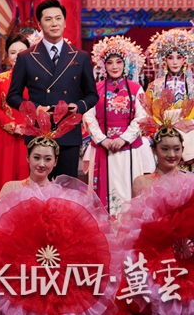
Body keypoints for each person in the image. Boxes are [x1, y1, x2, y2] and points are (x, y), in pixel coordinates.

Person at [7, 0, 99, 179]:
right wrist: (35, 109)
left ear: (65, 22)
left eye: (58, 18)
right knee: (39, 187)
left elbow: (91, 95)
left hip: (68, 132)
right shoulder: (26, 57)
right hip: (38, 132)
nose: (54, 23)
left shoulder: (80, 56)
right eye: (48, 19)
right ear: (40, 24)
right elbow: (13, 96)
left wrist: (77, 107)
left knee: (66, 187)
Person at [82, 36, 150, 216]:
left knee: (127, 188)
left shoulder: (136, 88)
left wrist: (123, 139)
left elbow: (142, 116)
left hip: (128, 147)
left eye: (118, 62)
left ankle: (128, 225)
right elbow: (88, 116)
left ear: (125, 63)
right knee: (102, 190)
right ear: (103, 65)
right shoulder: (95, 88)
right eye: (109, 62)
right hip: (102, 147)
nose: (114, 66)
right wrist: (102, 139)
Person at [0, 34, 30, 199]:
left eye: (22, 52)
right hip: (7, 136)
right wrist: (12, 126)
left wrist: (29, 126)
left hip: (30, 134)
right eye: (13, 52)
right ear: (7, 55)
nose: (17, 56)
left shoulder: (37, 79)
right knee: (6, 175)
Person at [145, 28, 194, 168]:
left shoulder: (192, 85)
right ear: (164, 60)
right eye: (170, 58)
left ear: (185, 59)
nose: (175, 62)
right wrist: (161, 126)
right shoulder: (155, 86)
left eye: (179, 57)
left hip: (189, 133)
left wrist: (188, 123)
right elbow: (148, 112)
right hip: (162, 133)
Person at [132, 126, 186, 196]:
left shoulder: (189, 182)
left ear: (182, 149)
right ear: (154, 150)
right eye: (165, 149)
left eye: (177, 149)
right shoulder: (141, 182)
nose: (171, 155)